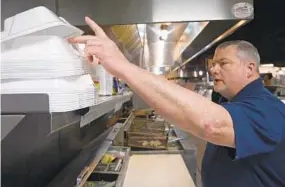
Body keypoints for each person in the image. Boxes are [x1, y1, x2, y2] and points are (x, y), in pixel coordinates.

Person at [69, 17, 285, 187]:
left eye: (223, 63)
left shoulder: (268, 108)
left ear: (250, 69)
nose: (213, 69)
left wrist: (123, 67)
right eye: (213, 63)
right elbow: (180, 113)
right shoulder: (233, 102)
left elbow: (213, 125)